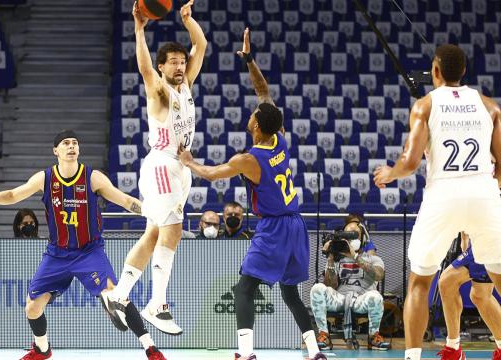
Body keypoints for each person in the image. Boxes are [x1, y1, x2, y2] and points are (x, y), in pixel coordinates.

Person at [177, 28, 326, 360]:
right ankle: (315, 353)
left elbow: (212, 174)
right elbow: (262, 89)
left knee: (245, 288)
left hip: (273, 228)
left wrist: (188, 161)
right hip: (296, 225)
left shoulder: (248, 160)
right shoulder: (280, 138)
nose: (251, 114)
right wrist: (249, 60)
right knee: (290, 293)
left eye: (253, 115)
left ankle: (245, 354)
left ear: (257, 125)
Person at [0, 130, 166, 360]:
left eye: (75, 143)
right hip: (57, 254)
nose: (71, 146)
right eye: (66, 143)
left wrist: (154, 213)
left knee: (114, 295)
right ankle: (42, 349)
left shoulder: (93, 177)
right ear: (56, 151)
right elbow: (12, 195)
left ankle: (151, 348)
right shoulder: (45, 178)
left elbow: (126, 201)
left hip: (89, 251)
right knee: (32, 307)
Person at [373, 44, 501, 360]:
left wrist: (390, 173)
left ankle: (413, 357)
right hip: (484, 193)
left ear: (435, 71)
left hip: (443, 195)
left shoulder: (425, 106)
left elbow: (410, 160)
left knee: (419, 282)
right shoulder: (490, 106)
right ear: (464, 73)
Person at [105, 0, 206, 336]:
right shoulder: (159, 91)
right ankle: (156, 304)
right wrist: (138, 30)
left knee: (155, 233)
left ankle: (120, 294)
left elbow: (201, 45)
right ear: (163, 67)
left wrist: (188, 20)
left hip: (180, 168)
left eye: (182, 61)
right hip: (162, 164)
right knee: (171, 228)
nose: (179, 66)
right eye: (173, 63)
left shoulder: (186, 84)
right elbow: (145, 69)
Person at [310, 218, 390, 351]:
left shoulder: (374, 259)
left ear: (363, 238)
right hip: (340, 298)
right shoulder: (336, 259)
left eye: (354, 234)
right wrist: (330, 257)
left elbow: (379, 275)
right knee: (317, 289)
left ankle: (373, 336)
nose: (351, 239)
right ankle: (324, 335)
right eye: (347, 235)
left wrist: (355, 257)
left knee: (376, 296)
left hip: (362, 299)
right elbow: (330, 285)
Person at [438, 232, 501, 359]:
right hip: (482, 240)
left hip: (492, 238)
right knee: (480, 296)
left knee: (447, 282)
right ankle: (454, 350)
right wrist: (464, 237)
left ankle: (453, 350)